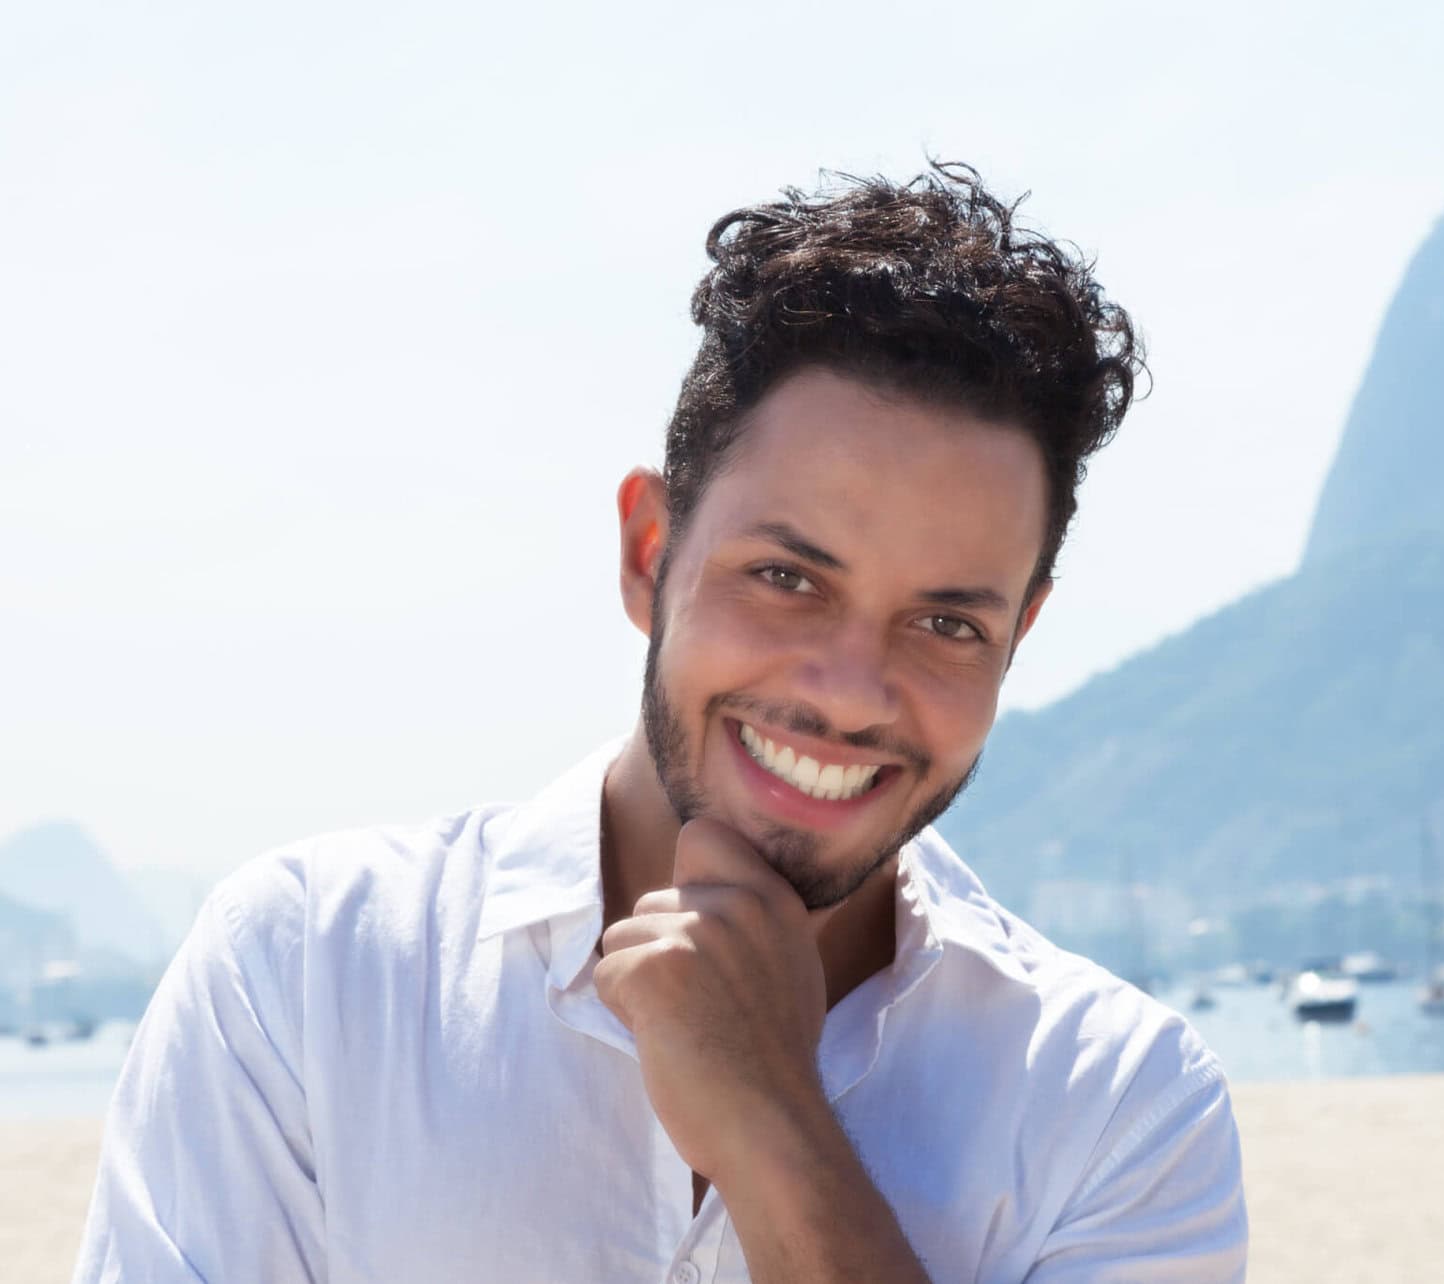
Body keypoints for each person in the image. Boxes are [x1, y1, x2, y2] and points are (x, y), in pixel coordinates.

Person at [74, 163, 1248, 1282]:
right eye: (787, 578)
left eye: (945, 624)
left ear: (1019, 638)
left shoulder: (1119, 1103)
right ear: (651, 553)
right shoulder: (310, 971)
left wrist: (775, 1127)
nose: (847, 692)